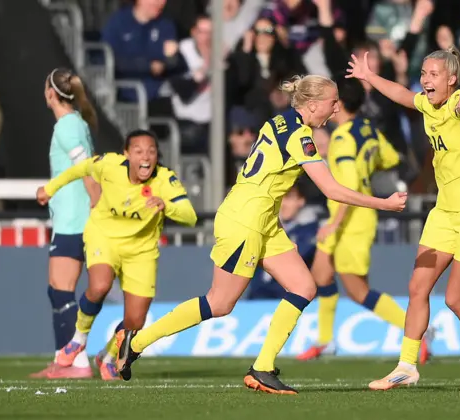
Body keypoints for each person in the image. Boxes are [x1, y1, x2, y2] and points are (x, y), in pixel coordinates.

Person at [114, 74, 407, 395]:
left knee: (304, 286)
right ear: (311, 105)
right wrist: (384, 203)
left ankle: (263, 367)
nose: (336, 108)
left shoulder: (280, 121)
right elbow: (332, 189)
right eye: (331, 101)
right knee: (220, 302)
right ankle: (137, 341)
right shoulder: (301, 136)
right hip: (246, 220)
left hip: (264, 219)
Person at [347, 46, 460, 392]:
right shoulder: (427, 104)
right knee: (417, 287)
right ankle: (406, 366)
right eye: (423, 74)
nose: (425, 80)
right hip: (446, 209)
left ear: (452, 79)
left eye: (433, 75)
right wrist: (369, 76)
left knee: (456, 298)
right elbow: (403, 95)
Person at [36, 130, 197, 380]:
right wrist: (50, 188)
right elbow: (79, 169)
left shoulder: (165, 179)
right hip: (104, 237)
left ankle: (107, 355)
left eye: (151, 151)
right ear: (127, 154)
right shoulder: (110, 165)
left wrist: (168, 206)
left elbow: (190, 215)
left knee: (136, 320)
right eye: (139, 151)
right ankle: (78, 339)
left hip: (141, 251)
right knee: (99, 285)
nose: (146, 157)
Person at [296, 76, 407, 361]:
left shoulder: (343, 138)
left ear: (340, 104)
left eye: (332, 102)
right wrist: (369, 166)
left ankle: (415, 329)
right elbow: (392, 158)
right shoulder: (367, 129)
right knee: (321, 273)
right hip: (350, 219)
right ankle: (324, 340)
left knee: (358, 291)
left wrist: (333, 224)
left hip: (350, 220)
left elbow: (347, 187)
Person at [30, 68, 101, 379]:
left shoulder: (67, 128)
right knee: (59, 291)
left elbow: (86, 170)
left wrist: (97, 202)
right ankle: (67, 360)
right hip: (73, 216)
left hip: (75, 219)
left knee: (61, 291)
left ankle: (75, 363)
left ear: (50, 94)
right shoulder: (76, 124)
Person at [247, 183, 319, 300]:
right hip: (258, 298)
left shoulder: (310, 229)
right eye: (281, 198)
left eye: (289, 198)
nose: (283, 204)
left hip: (290, 299)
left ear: (301, 201)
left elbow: (300, 254)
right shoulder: (265, 227)